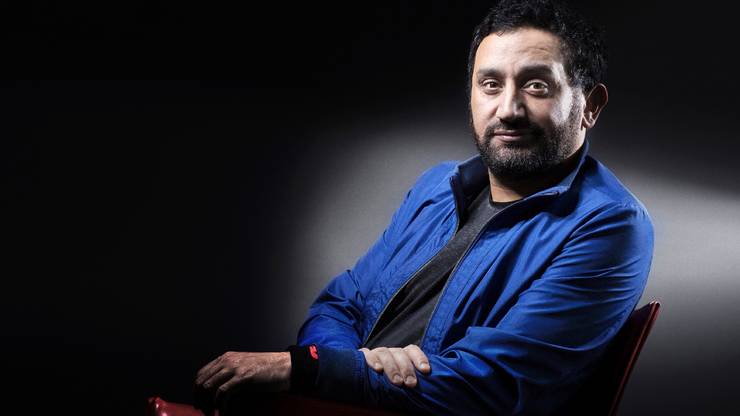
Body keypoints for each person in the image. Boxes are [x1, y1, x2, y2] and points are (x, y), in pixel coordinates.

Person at [193, 0, 654, 414]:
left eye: (536, 86)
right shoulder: (437, 186)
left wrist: (311, 369)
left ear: (590, 106)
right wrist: (349, 364)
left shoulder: (609, 225)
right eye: (490, 84)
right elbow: (340, 305)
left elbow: (493, 385)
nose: (508, 109)